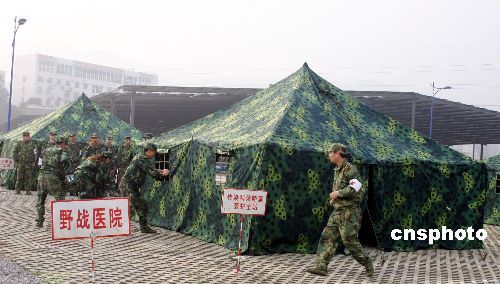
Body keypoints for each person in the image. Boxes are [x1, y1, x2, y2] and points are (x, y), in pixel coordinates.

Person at [307, 143, 374, 277]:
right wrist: (335, 199)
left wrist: (338, 193)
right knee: (327, 237)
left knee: (349, 241)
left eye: (331, 152)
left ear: (337, 153)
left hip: (350, 212)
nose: (329, 155)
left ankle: (367, 262)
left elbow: (356, 188)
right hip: (338, 211)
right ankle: (321, 266)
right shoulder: (338, 170)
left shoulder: (351, 169)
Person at [119, 143, 169, 233]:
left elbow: (148, 169)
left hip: (132, 186)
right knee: (132, 206)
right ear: (149, 151)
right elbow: (152, 173)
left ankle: (143, 227)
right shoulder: (142, 159)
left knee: (142, 205)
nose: (154, 155)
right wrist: (163, 173)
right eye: (154, 152)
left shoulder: (141, 158)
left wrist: (158, 171)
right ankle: (122, 227)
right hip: (128, 186)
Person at [35, 137, 70, 228]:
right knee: (60, 199)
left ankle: (39, 221)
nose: (66, 147)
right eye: (65, 145)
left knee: (40, 200)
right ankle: (60, 222)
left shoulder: (46, 150)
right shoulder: (62, 152)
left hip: (41, 177)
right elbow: (65, 165)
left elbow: (40, 162)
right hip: (53, 177)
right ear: (63, 144)